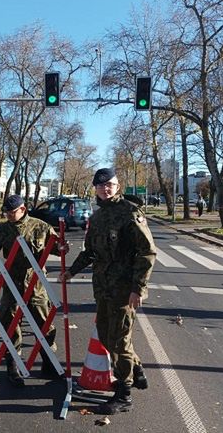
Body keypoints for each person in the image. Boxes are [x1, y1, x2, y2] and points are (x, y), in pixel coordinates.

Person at [59, 168, 156, 415]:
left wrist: (138, 289)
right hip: (102, 288)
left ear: (118, 186)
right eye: (101, 186)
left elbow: (147, 252)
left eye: (110, 185)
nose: (106, 189)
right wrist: (72, 271)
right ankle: (136, 369)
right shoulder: (99, 217)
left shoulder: (130, 213)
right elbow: (90, 251)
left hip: (124, 290)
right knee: (105, 337)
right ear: (96, 189)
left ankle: (124, 395)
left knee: (119, 341)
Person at [0, 194, 67, 388]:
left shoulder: (41, 227)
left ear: (23, 209)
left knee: (44, 323)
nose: (8, 215)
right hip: (11, 282)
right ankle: (12, 365)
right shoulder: (3, 230)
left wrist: (62, 247)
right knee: (10, 323)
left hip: (35, 283)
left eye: (11, 212)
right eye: (5, 212)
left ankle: (48, 363)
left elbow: (56, 247)